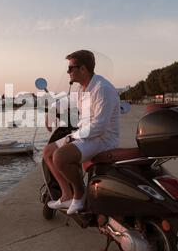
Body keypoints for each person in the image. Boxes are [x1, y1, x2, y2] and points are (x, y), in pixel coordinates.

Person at [42, 50, 120, 215]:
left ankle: (80, 193)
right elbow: (68, 101)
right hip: (87, 135)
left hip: (103, 139)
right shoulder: (82, 88)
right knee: (48, 152)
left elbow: (99, 126)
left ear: (83, 69)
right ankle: (66, 195)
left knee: (60, 157)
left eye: (71, 68)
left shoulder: (102, 88)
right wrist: (51, 111)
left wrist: (73, 136)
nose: (68, 72)